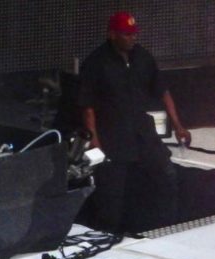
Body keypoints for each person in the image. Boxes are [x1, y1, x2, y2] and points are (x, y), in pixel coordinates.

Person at [78, 11, 191, 234]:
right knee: (111, 192)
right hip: (113, 135)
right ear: (112, 35)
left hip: (142, 130)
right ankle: (107, 234)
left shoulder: (143, 57)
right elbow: (87, 105)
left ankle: (166, 226)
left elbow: (162, 91)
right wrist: (95, 140)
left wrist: (178, 125)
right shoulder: (96, 63)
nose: (132, 38)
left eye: (133, 34)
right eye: (126, 34)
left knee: (166, 175)